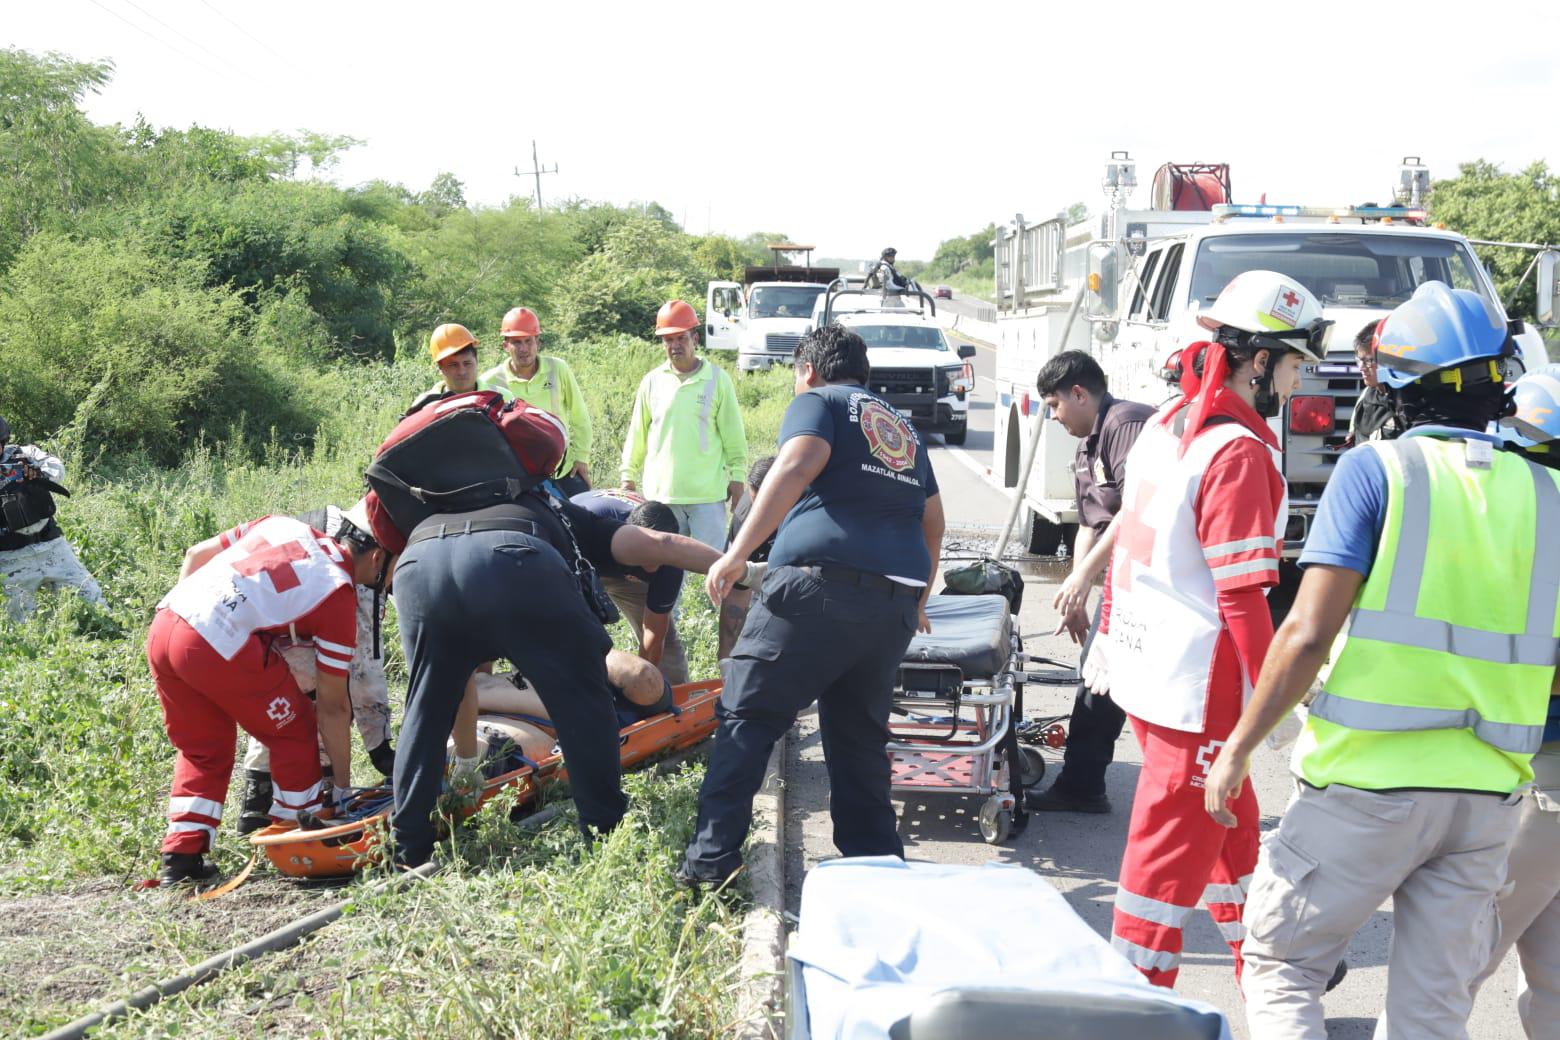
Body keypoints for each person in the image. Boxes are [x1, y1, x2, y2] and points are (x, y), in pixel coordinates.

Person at [1202, 285, 1560, 1039]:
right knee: (1432, 1012)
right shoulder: (1550, 494)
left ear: (1394, 388)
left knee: (1283, 967)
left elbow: (1303, 633)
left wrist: (1237, 747)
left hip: (1367, 786)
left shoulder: (1377, 471)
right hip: (1489, 799)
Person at [1098, 270, 1326, 987]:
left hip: (1149, 670)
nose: (1295, 384)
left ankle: (1266, 962)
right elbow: (1243, 600)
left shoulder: (1168, 424)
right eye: (1293, 366)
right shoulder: (1240, 453)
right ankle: (1130, 1000)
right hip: (1202, 689)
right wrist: (1279, 694)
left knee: (1229, 830)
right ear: (1260, 359)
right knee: (1162, 867)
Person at [679, 324, 944, 888]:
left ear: (808, 369)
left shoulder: (818, 401)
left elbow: (796, 466)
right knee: (858, 740)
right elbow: (933, 523)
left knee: (746, 718)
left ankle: (708, 867)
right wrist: (916, 598)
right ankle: (876, 869)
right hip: (891, 607)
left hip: (816, 592)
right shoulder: (902, 428)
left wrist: (736, 554)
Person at [381, 480, 723, 867]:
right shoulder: (559, 511)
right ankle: (603, 831)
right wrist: (738, 566)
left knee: (424, 710)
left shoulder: (449, 501)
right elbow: (661, 546)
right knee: (585, 702)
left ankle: (407, 851)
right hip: (515, 560)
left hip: (417, 564)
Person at [147, 513, 394, 883]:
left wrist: (189, 623)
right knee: (294, 730)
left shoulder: (281, 523)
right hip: (214, 641)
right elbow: (333, 706)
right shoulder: (339, 592)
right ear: (377, 558)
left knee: (204, 749)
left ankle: (181, 860)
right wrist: (341, 788)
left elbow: (196, 553)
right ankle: (297, 834)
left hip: (168, 620)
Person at [1469, 363, 1560, 1040]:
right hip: (1533, 772)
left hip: (1538, 775)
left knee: (1450, 965)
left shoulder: (1524, 515)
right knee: (1553, 979)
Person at [1026, 350, 1153, 815]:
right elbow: (1088, 525)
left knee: (1106, 674)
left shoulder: (1126, 425)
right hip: (1124, 581)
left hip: (1155, 580)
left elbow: (1135, 510)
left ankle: (1084, 785)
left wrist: (1084, 577)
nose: (1054, 418)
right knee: (1098, 669)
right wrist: (1078, 592)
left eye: (1055, 406)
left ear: (1078, 393)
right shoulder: (1087, 447)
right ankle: (1084, 783)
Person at [235, 501, 397, 835]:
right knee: (330, 694)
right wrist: (380, 749)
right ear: (381, 557)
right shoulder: (363, 580)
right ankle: (288, 797)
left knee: (283, 703)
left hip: (256, 624)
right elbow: (362, 673)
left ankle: (257, 802)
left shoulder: (328, 532)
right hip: (288, 628)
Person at [620, 300, 748, 550]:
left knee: (714, 569)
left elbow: (734, 435)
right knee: (664, 572)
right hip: (661, 495)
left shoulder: (717, 381)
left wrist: (738, 478)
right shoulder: (652, 382)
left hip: (707, 497)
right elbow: (637, 433)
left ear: (695, 338)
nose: (675, 345)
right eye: (668, 340)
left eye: (681, 338)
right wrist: (627, 476)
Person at [571, 488, 701, 685]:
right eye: (648, 559)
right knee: (573, 634)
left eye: (660, 560)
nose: (653, 568)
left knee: (666, 646)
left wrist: (647, 684)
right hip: (578, 560)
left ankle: (676, 698)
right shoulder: (586, 528)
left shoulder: (670, 561)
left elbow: (654, 633)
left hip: (621, 566)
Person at [480, 307, 595, 497]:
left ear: (538, 342)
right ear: (505, 346)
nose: (524, 349)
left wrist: (581, 458)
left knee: (585, 518)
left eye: (528, 341)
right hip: (520, 478)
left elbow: (579, 415)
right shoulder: (491, 381)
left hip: (563, 471)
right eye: (516, 342)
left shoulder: (557, 369)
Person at [0, 415, 103, 620]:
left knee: (95, 602)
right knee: (21, 627)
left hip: (52, 546)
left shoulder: (24, 453)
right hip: (9, 558)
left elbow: (57, 468)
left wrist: (36, 473)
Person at [718, 455, 777, 660]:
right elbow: (737, 592)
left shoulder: (811, 503)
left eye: (766, 505)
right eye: (755, 502)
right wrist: (726, 657)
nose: (759, 512)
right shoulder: (745, 522)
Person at [406, 324, 482, 415]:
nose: (462, 371)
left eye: (467, 364)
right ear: (439, 367)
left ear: (477, 361)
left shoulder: (499, 397)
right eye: (453, 365)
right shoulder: (424, 406)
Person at [1346, 318, 1401, 445]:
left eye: (1369, 361)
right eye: (1359, 360)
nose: (1361, 368)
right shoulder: (1366, 395)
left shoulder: (1409, 405)